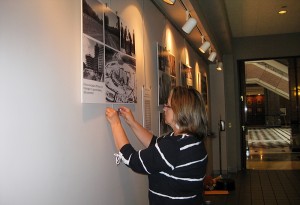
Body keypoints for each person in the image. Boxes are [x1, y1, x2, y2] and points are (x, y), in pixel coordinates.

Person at [105, 86, 208, 205]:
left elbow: (132, 160)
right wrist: (132, 122)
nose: (164, 108)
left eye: (167, 105)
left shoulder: (173, 147)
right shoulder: (191, 140)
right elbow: (155, 144)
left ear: (180, 111)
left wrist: (115, 123)